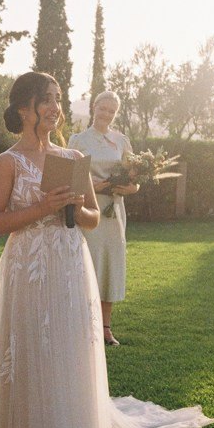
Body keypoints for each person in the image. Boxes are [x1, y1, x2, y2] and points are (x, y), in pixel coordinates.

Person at [0, 72, 214, 428]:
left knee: (69, 354)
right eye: (46, 99)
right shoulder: (8, 163)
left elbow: (89, 218)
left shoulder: (72, 157)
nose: (56, 107)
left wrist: (72, 205)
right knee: (32, 353)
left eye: (58, 99)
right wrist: (42, 207)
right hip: (28, 270)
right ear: (24, 108)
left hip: (69, 267)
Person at [68, 91, 138, 346]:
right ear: (94, 108)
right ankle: (82, 326)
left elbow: (135, 179)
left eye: (111, 111)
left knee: (110, 266)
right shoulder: (78, 140)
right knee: (87, 265)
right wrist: (91, 187)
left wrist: (130, 188)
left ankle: (106, 329)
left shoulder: (122, 141)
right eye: (103, 108)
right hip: (88, 210)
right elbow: (69, 178)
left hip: (113, 212)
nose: (106, 114)